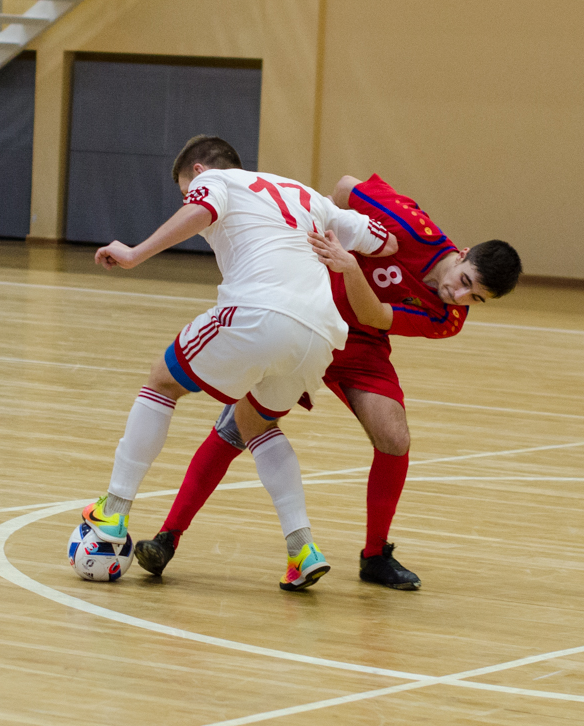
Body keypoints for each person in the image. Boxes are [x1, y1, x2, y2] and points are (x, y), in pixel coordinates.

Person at [133, 174, 522, 590]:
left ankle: (374, 556)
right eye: (464, 282)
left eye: (475, 298)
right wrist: (331, 234)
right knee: (238, 428)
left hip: (362, 343)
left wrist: (351, 266)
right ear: (462, 255)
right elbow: (344, 187)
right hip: (309, 314)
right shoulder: (410, 227)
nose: (458, 297)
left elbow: (375, 317)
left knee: (394, 437)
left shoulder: (449, 320)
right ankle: (167, 538)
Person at [83, 136, 398, 591]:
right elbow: (385, 243)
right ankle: (302, 548)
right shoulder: (306, 195)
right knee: (257, 424)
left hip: (259, 313)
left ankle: (112, 511)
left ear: (197, 169)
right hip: (321, 336)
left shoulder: (217, 180)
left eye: (186, 188)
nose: (188, 195)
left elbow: (202, 211)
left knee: (161, 383)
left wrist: (134, 253)